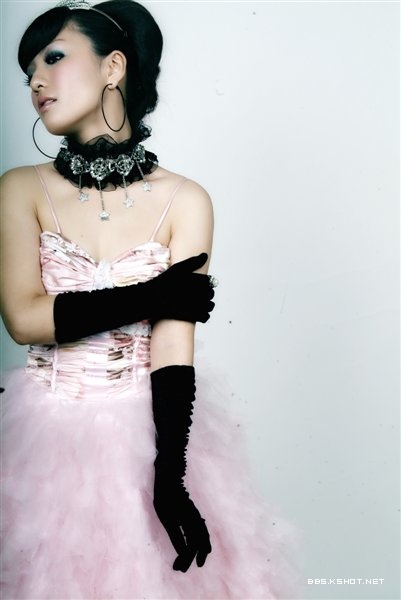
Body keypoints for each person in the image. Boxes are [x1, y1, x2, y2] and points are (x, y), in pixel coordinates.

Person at [0, 1, 302, 598]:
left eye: (53, 58)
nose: (36, 80)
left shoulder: (186, 200)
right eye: (29, 69)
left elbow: (171, 345)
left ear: (113, 67)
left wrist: (171, 475)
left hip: (149, 432)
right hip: (44, 437)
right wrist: (155, 293)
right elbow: (25, 319)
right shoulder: (19, 189)